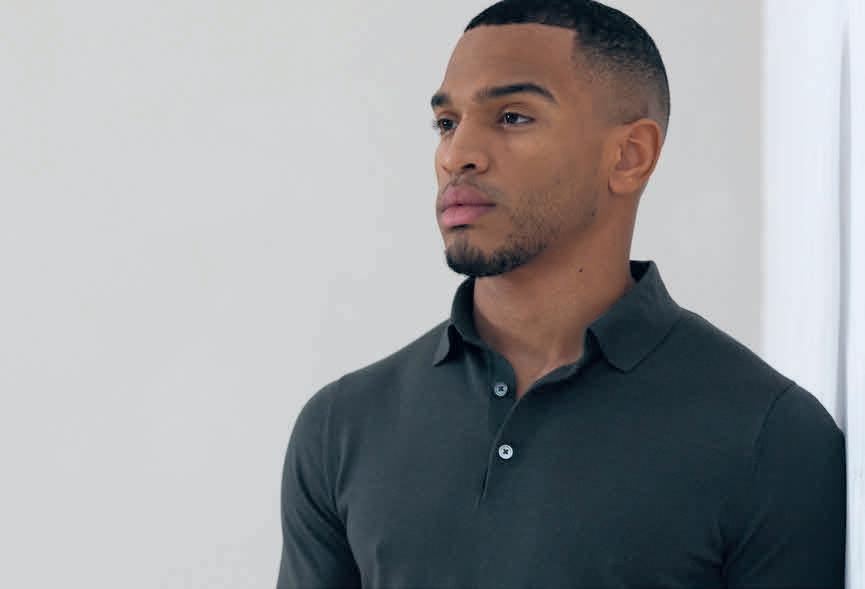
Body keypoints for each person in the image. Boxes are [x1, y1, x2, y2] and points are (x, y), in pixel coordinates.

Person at [276, 0, 846, 587]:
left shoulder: (768, 436)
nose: (456, 155)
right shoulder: (342, 427)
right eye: (447, 123)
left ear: (629, 156)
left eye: (512, 117)